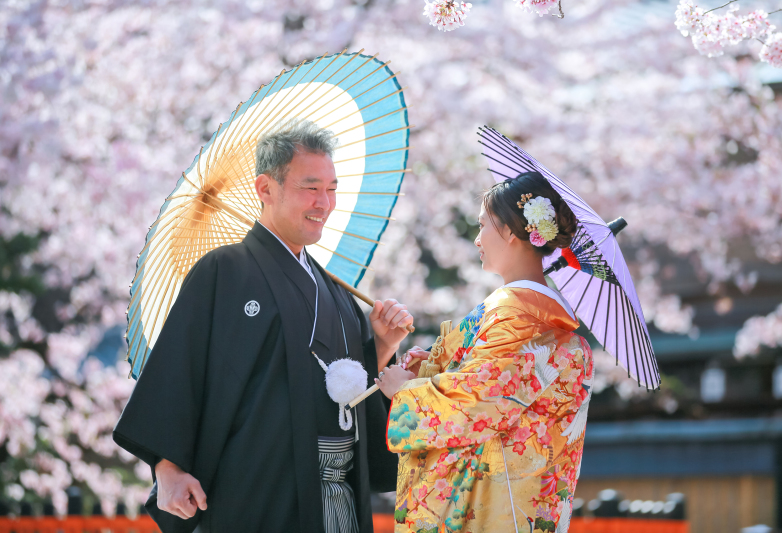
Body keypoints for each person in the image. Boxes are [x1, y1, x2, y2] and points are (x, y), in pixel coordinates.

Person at [113, 119, 413, 533]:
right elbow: (179, 372)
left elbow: (347, 389)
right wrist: (167, 467)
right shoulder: (224, 272)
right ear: (265, 188)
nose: (324, 202)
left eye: (331, 189)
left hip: (338, 495)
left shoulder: (337, 292)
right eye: (310, 188)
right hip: (258, 492)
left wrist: (381, 344)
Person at [376, 171, 594, 533]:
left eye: (483, 226)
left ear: (510, 231)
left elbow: (478, 400)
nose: (477, 239)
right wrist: (431, 373)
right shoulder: (544, 318)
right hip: (523, 502)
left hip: (492, 507)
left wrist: (405, 392)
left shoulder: (516, 315)